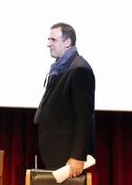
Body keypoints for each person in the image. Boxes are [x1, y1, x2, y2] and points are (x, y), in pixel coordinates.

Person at [34, 22, 95, 178]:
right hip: (55, 152)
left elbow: (84, 117)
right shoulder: (61, 66)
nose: (48, 44)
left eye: (53, 40)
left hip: (66, 155)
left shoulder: (79, 68)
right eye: (48, 39)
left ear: (67, 42)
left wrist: (77, 156)